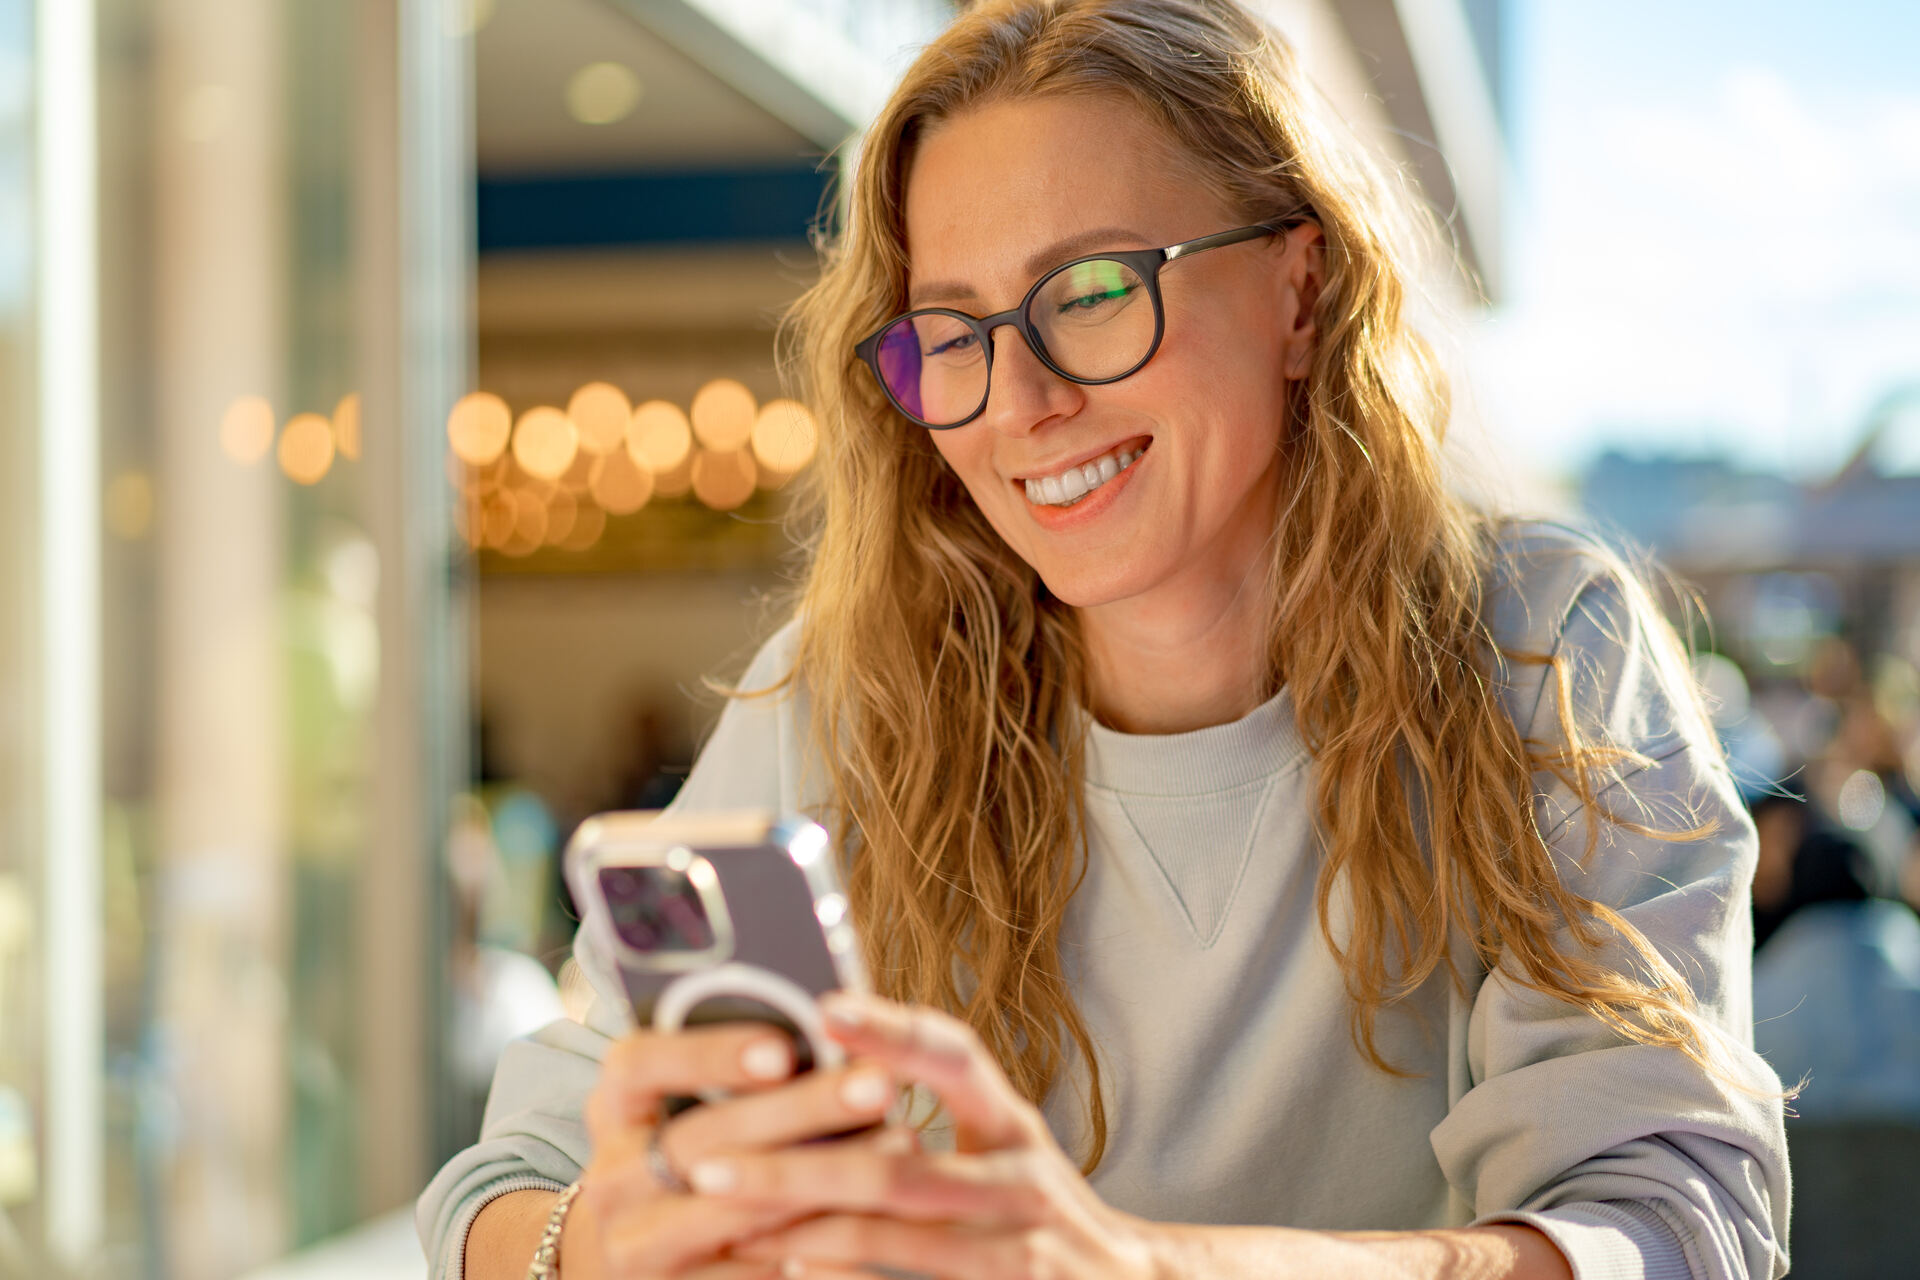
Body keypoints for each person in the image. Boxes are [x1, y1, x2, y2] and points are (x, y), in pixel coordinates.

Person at [418, 2, 1789, 1277]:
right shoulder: (842, 704)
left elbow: (1667, 1223)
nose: (1019, 402)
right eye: (951, 331)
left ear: (1301, 293)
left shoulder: (1539, 648)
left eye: (1089, 293)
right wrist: (612, 1240)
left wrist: (1139, 1265)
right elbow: (505, 1180)